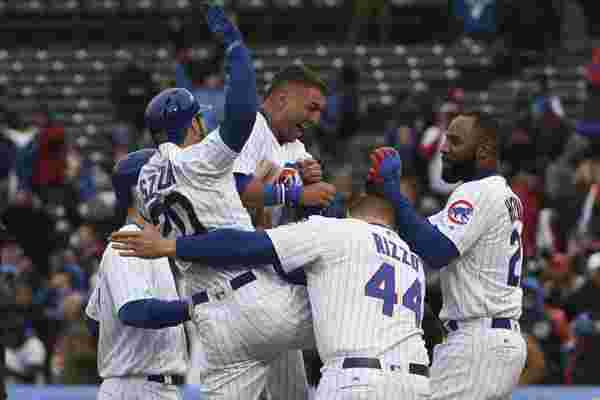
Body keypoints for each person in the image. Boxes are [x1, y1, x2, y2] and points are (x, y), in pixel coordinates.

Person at [111, 147, 431, 400]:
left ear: (352, 207)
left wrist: (170, 246)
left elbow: (244, 246)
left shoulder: (337, 232)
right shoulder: (412, 261)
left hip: (356, 380)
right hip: (416, 384)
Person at [137, 3, 313, 400]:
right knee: (358, 306)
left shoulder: (145, 182)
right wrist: (235, 47)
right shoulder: (198, 159)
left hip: (214, 323)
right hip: (256, 299)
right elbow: (242, 114)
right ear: (193, 123)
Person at [376, 112, 527, 399]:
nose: (444, 148)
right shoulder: (501, 193)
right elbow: (418, 233)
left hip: (477, 340)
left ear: (483, 150)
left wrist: (393, 194)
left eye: (455, 142)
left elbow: (435, 250)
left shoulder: (476, 191)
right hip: (494, 337)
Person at [85, 149, 196, 400]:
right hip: (136, 387)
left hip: (146, 385)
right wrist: (195, 307)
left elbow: (94, 320)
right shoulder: (128, 242)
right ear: (140, 192)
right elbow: (134, 310)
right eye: (163, 181)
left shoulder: (152, 244)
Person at [233, 64, 337, 229]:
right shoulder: (247, 128)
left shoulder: (297, 148)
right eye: (312, 108)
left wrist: (315, 189)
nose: (315, 120)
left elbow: (310, 213)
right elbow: (234, 188)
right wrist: (297, 194)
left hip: (265, 240)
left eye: (320, 112)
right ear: (282, 100)